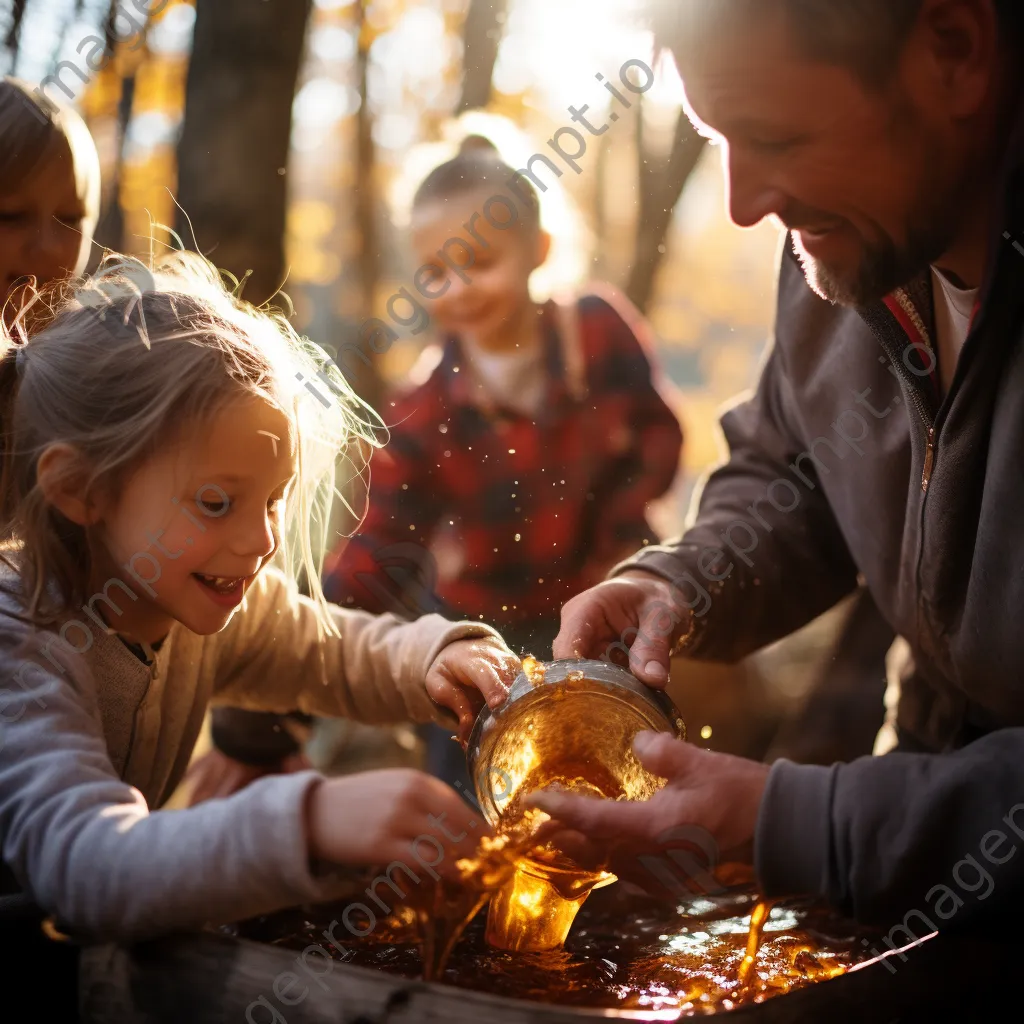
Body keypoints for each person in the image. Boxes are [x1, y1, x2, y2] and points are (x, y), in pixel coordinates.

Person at [533, 0, 1024, 938]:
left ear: (955, 50)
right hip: (919, 846)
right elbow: (796, 466)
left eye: (773, 136)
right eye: (716, 137)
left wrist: (806, 824)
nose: (743, 201)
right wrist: (681, 579)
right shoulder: (845, 234)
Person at [0, 253, 519, 968]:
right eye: (217, 503)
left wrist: (433, 658)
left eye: (274, 500)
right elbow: (89, 870)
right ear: (81, 489)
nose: (263, 539)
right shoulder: (21, 652)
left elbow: (331, 649)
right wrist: (309, 821)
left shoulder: (188, 599)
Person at [318, 136, 684, 789]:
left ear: (537, 251)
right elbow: (378, 546)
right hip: (484, 625)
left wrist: (620, 544)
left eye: (480, 261)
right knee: (478, 786)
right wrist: (307, 635)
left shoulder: (596, 331)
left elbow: (658, 436)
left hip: (596, 606)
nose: (457, 288)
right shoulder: (422, 409)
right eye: (435, 272)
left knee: (609, 768)